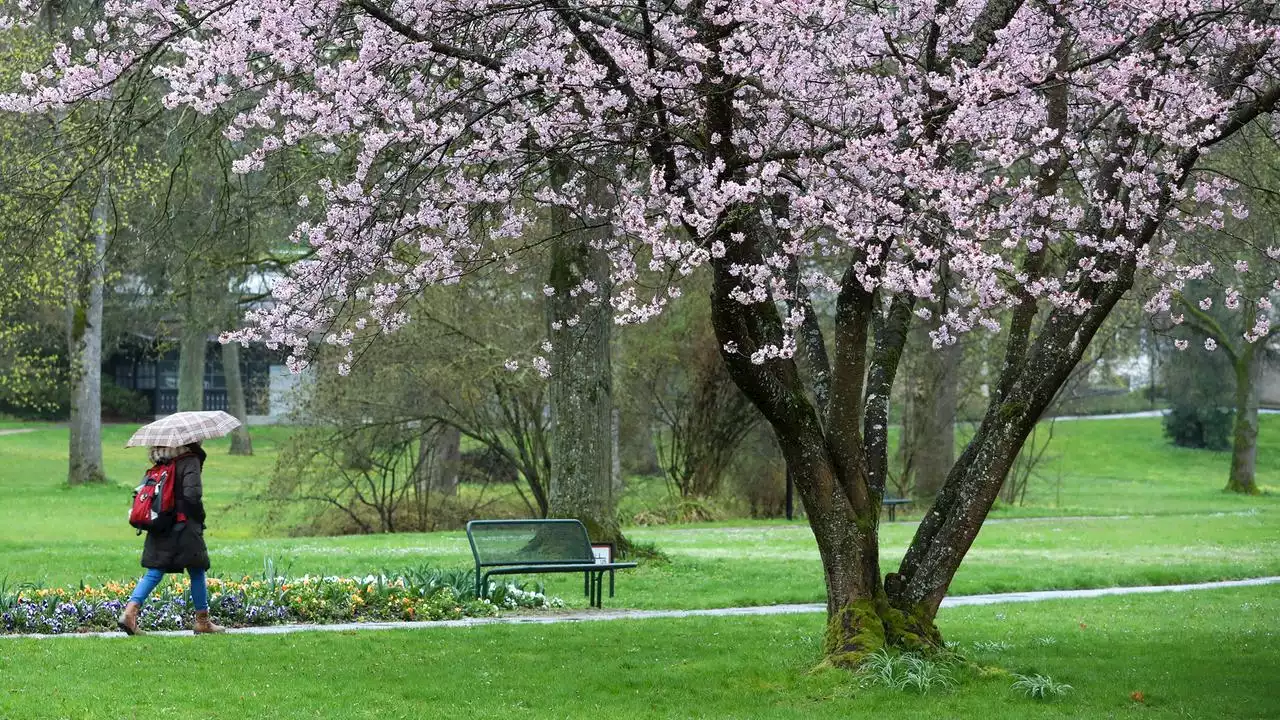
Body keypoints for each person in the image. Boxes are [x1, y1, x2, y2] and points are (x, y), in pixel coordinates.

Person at [117, 441, 226, 635]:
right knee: (197, 569)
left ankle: (129, 613)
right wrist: (200, 518)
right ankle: (202, 621)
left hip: (160, 524)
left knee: (155, 571)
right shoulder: (189, 459)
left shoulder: (160, 462)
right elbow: (192, 496)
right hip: (184, 526)